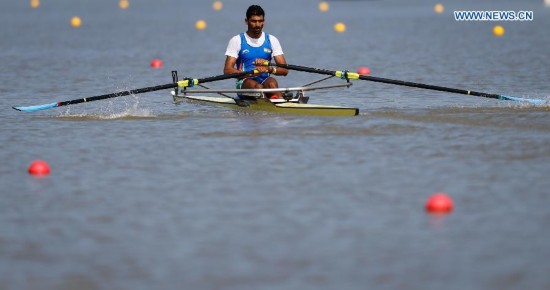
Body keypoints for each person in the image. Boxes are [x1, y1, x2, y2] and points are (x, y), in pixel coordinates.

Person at [224, 5, 288, 99]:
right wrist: (250, 73)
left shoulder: (272, 40)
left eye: (260, 21)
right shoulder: (237, 40)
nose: (257, 24)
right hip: (244, 81)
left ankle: (280, 103)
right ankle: (269, 101)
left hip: (265, 79)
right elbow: (227, 70)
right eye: (253, 21)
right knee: (258, 88)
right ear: (246, 21)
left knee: (272, 84)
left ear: (264, 22)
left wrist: (268, 69)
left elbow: (284, 70)